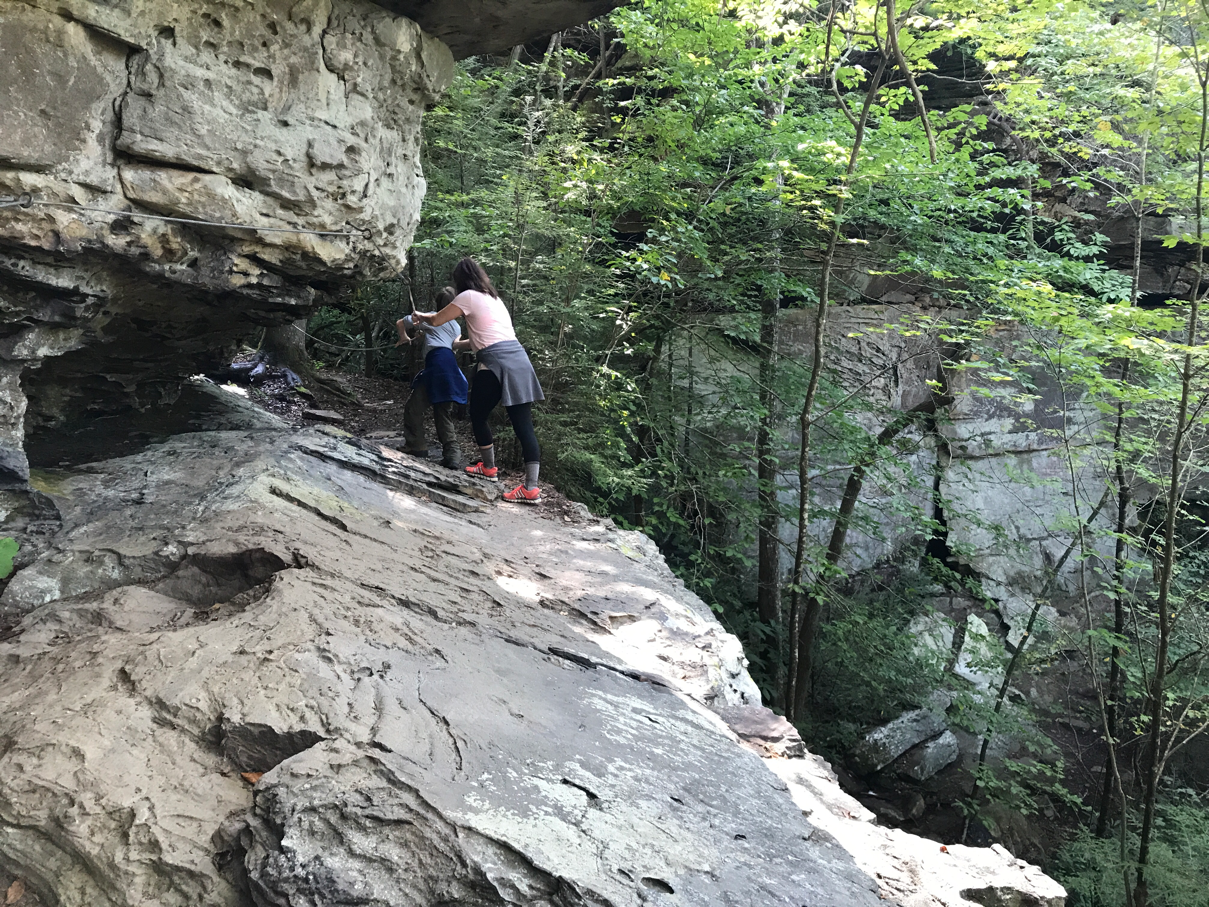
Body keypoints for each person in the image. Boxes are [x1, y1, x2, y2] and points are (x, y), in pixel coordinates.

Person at [411, 258, 544, 504]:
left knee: (478, 414)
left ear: (460, 280)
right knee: (523, 425)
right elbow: (485, 338)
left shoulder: (467, 296)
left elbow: (437, 320)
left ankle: (490, 468)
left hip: (495, 363)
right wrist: (457, 345)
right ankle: (531, 487)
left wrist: (420, 316)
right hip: (519, 360)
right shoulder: (494, 299)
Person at [396, 286, 469, 470]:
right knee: (443, 412)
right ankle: (452, 455)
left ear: (437, 303)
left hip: (436, 366)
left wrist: (404, 336)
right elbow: (449, 344)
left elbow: (400, 323)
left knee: (413, 408)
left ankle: (416, 445)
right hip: (450, 368)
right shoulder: (455, 325)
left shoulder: (429, 317)